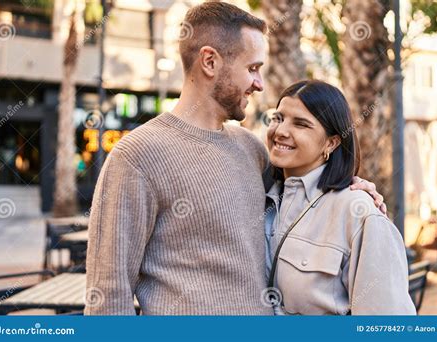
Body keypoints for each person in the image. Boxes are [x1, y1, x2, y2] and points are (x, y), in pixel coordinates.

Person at [85, 2, 383, 315]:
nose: (260, 83)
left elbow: (304, 188)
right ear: (210, 61)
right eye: (253, 68)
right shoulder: (136, 156)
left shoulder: (252, 150)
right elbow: (108, 296)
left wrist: (352, 184)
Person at [265, 80, 416, 315]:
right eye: (278, 118)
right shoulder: (259, 193)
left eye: (301, 124)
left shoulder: (358, 212)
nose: (281, 131)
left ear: (332, 142)